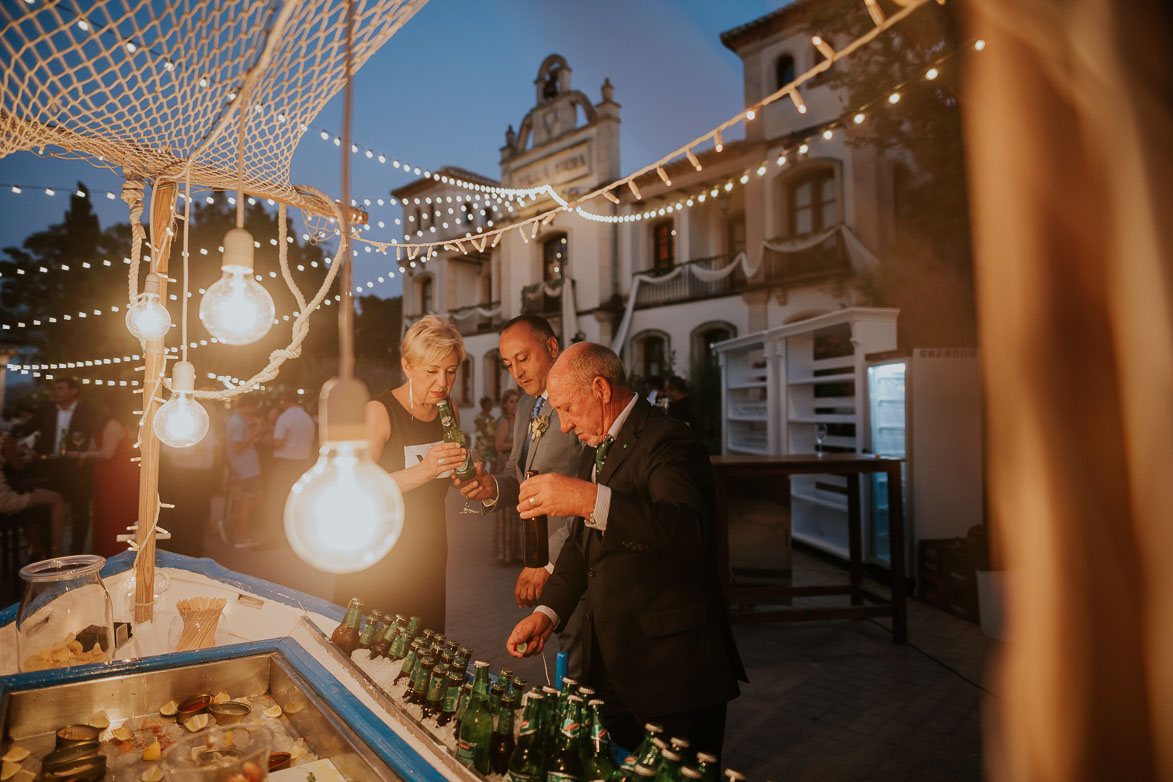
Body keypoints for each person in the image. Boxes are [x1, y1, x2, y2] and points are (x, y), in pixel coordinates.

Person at [505, 342, 746, 758]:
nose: (563, 425)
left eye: (566, 408)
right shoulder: (594, 444)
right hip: (611, 668)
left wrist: (587, 499)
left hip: (672, 673)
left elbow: (685, 531)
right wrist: (548, 611)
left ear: (600, 388)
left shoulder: (670, 440)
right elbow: (582, 548)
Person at [455, 315, 588, 678]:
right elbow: (520, 473)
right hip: (538, 551)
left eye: (523, 358)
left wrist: (549, 563)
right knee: (565, 646)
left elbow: (591, 488)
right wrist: (491, 488)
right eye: (508, 364)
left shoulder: (580, 399)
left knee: (583, 658)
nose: (516, 371)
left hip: (577, 553)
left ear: (551, 347)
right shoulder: (528, 406)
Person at [332, 315, 468, 633]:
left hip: (429, 548)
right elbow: (350, 489)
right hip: (380, 554)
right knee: (372, 647)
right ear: (407, 366)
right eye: (431, 372)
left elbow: (443, 476)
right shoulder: (378, 413)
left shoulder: (450, 408)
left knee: (422, 643)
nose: (442, 384)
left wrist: (465, 475)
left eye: (451, 372)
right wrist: (424, 470)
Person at [32, 377, 97, 553]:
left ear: (73, 391)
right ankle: (50, 552)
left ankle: (77, 553)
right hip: (51, 467)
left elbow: (95, 435)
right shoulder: (46, 410)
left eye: (60, 388)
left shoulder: (88, 411)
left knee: (80, 512)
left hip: (77, 467)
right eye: (56, 388)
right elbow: (32, 430)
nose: (56, 391)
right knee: (48, 511)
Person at [76, 389, 139, 559]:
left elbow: (107, 454)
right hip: (125, 474)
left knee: (113, 516)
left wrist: (84, 455)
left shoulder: (112, 423)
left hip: (114, 476)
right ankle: (124, 555)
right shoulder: (128, 422)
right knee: (123, 514)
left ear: (108, 405)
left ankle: (113, 556)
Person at [0, 429, 66, 559]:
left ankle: (34, 546)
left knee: (30, 499)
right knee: (57, 499)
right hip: (3, 499)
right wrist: (29, 456)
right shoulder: (4, 437)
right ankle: (56, 551)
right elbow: (17, 465)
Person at [266, 388, 316, 547]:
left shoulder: (285, 417)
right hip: (302, 465)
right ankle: (294, 539)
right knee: (296, 502)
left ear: (285, 402)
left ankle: (273, 539)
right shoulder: (307, 418)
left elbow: (278, 442)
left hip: (285, 464)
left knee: (275, 501)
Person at [161, 417, 216, 559]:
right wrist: (192, 449)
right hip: (181, 476)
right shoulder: (175, 425)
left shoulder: (206, 427)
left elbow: (210, 455)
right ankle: (181, 552)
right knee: (182, 518)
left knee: (197, 517)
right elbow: (169, 450)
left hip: (200, 477)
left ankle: (194, 551)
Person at [224, 394, 264, 548]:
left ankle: (234, 524)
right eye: (254, 406)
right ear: (248, 406)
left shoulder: (235, 420)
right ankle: (242, 535)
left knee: (249, 499)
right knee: (249, 500)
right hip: (246, 467)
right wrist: (255, 433)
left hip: (244, 467)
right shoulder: (239, 423)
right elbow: (238, 447)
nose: (255, 410)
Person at [492, 387, 521, 564]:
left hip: (519, 466)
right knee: (506, 509)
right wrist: (518, 443)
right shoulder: (504, 422)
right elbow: (498, 445)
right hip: (506, 466)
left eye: (517, 401)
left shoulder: (523, 420)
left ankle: (518, 551)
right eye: (512, 401)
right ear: (505, 404)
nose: (515, 405)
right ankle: (505, 553)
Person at [474, 396, 498, 473]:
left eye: (491, 404)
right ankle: (482, 478)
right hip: (483, 443)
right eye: (489, 404)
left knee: (494, 460)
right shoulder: (480, 416)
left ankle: (493, 478)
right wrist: (489, 437)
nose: (491, 406)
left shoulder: (491, 416)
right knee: (481, 462)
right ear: (484, 405)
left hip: (491, 442)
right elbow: (482, 428)